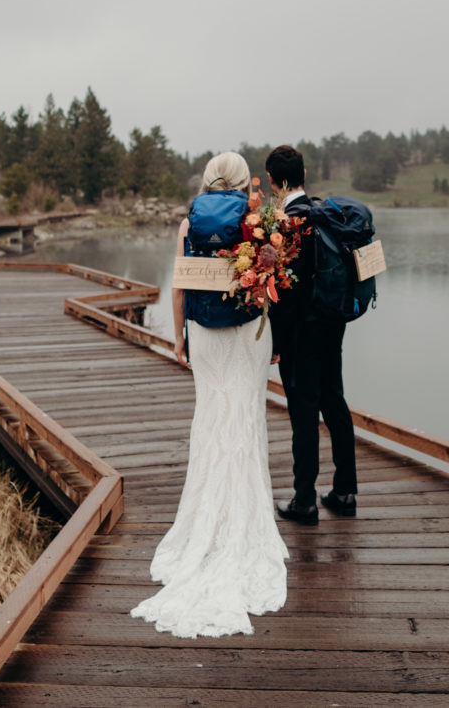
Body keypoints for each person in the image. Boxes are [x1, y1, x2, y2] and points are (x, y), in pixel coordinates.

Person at [131, 151, 289, 637]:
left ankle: (201, 524)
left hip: (204, 332)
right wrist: (276, 340)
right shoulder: (259, 220)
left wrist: (178, 336)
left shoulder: (187, 224)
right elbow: (272, 284)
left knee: (212, 414)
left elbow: (179, 288)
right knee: (246, 415)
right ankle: (248, 519)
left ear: (206, 181)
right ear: (245, 182)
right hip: (246, 336)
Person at [265, 144, 358, 525]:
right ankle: (345, 491)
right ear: (303, 175)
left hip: (302, 335)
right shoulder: (324, 214)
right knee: (334, 402)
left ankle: (304, 501)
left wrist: (276, 345)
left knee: (304, 414)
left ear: (273, 181)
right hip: (332, 326)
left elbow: (287, 295)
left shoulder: (288, 224)